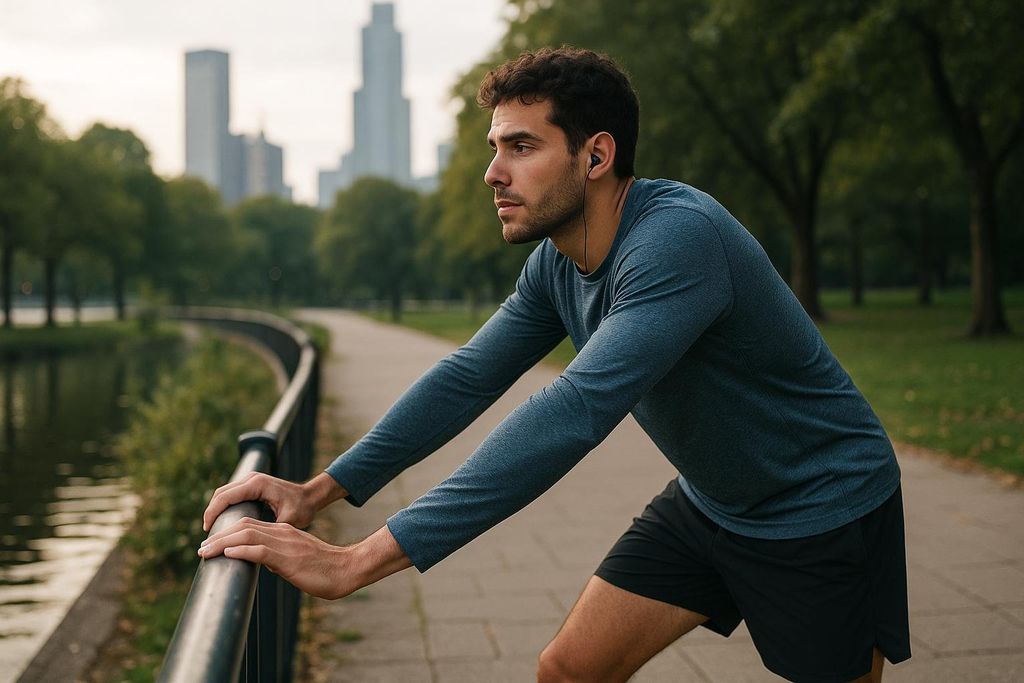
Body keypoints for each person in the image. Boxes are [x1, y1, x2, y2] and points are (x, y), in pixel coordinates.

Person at [199, 46, 911, 682]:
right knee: (569, 670)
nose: (492, 172)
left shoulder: (676, 241)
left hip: (819, 507)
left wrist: (357, 560)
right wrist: (316, 491)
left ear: (595, 156)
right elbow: (468, 376)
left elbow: (574, 411)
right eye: (494, 146)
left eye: (520, 147)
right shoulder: (557, 263)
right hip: (713, 501)